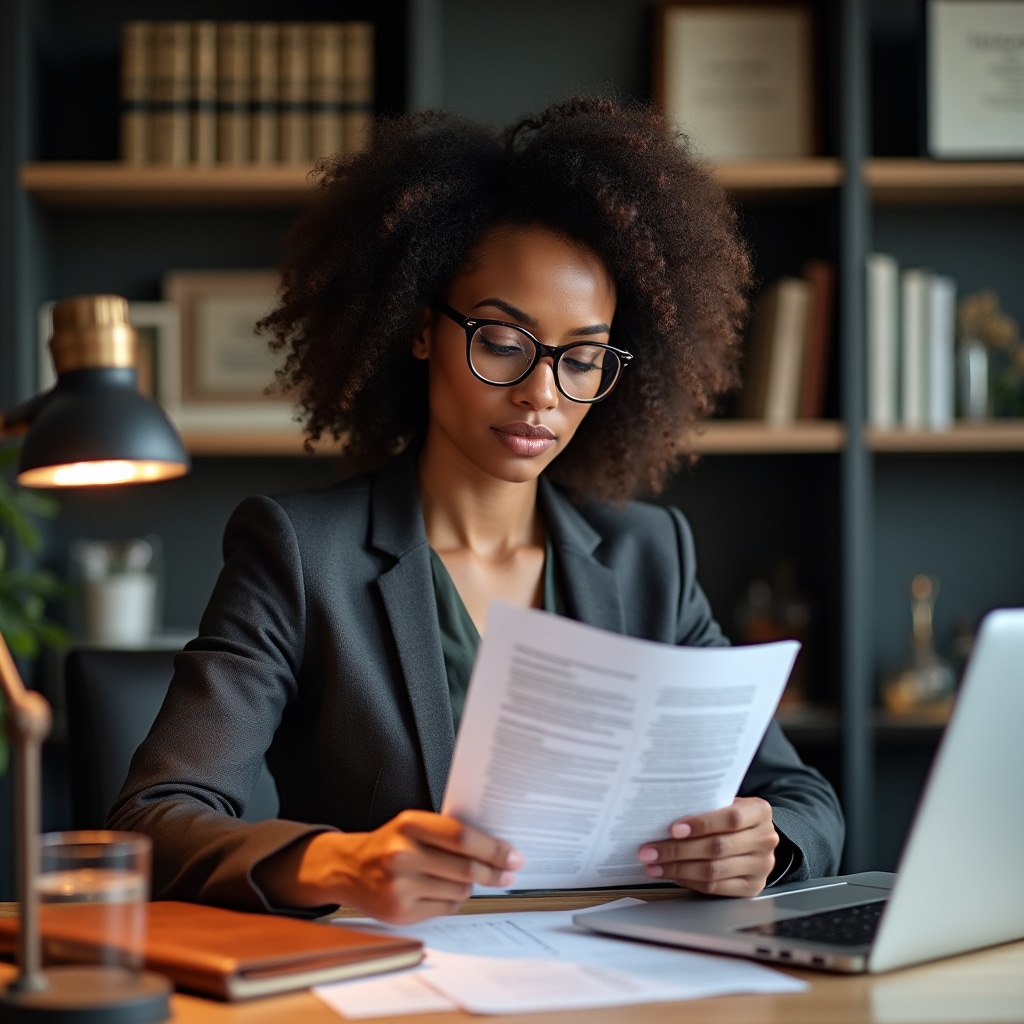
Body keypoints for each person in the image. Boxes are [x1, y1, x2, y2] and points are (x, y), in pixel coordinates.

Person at [109, 97, 844, 924]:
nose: (541, 393)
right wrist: (337, 862)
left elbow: (799, 796)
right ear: (423, 330)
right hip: (399, 983)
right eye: (502, 341)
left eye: (584, 358)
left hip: (627, 980)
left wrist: (766, 843)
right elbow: (154, 818)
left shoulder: (649, 556)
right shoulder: (303, 554)